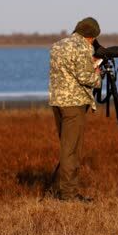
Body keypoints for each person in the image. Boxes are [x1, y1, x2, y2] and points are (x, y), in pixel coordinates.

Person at [48, 16, 103, 202]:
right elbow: (85, 77)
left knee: (66, 147)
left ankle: (63, 189)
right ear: (92, 36)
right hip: (74, 104)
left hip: (57, 102)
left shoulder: (57, 45)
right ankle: (69, 194)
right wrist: (98, 73)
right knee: (71, 150)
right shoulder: (83, 47)